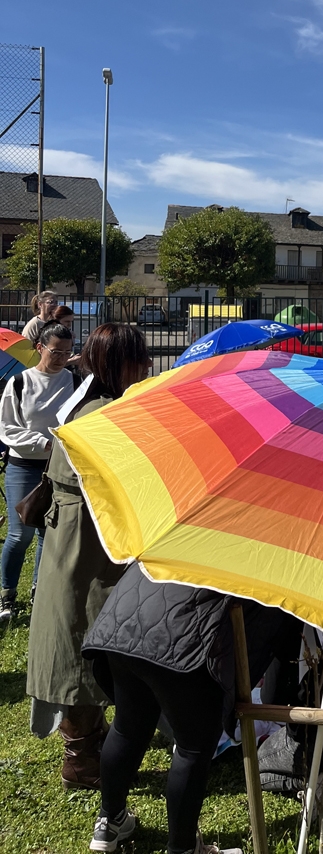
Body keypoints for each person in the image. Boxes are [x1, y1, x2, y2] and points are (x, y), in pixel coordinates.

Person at [82, 562, 302, 854]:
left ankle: (109, 821)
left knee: (128, 726)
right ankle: (184, 849)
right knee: (193, 748)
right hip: (180, 639)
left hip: (125, 619)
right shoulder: (278, 563)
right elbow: (277, 647)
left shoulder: (201, 521)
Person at [27, 323, 152, 792]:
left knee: (80, 632)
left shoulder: (89, 401)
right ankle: (81, 759)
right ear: (116, 363)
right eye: (137, 359)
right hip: (86, 539)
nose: (144, 367)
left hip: (85, 534)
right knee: (79, 636)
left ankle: (89, 745)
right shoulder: (103, 413)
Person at [0, 322, 77, 622]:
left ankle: (38, 590)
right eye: (56, 352)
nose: (61, 358)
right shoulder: (19, 383)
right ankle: (7, 595)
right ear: (39, 348)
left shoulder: (74, 381)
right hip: (23, 466)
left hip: (58, 467)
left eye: (68, 353)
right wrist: (42, 442)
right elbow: (6, 429)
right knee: (21, 534)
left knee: (48, 532)